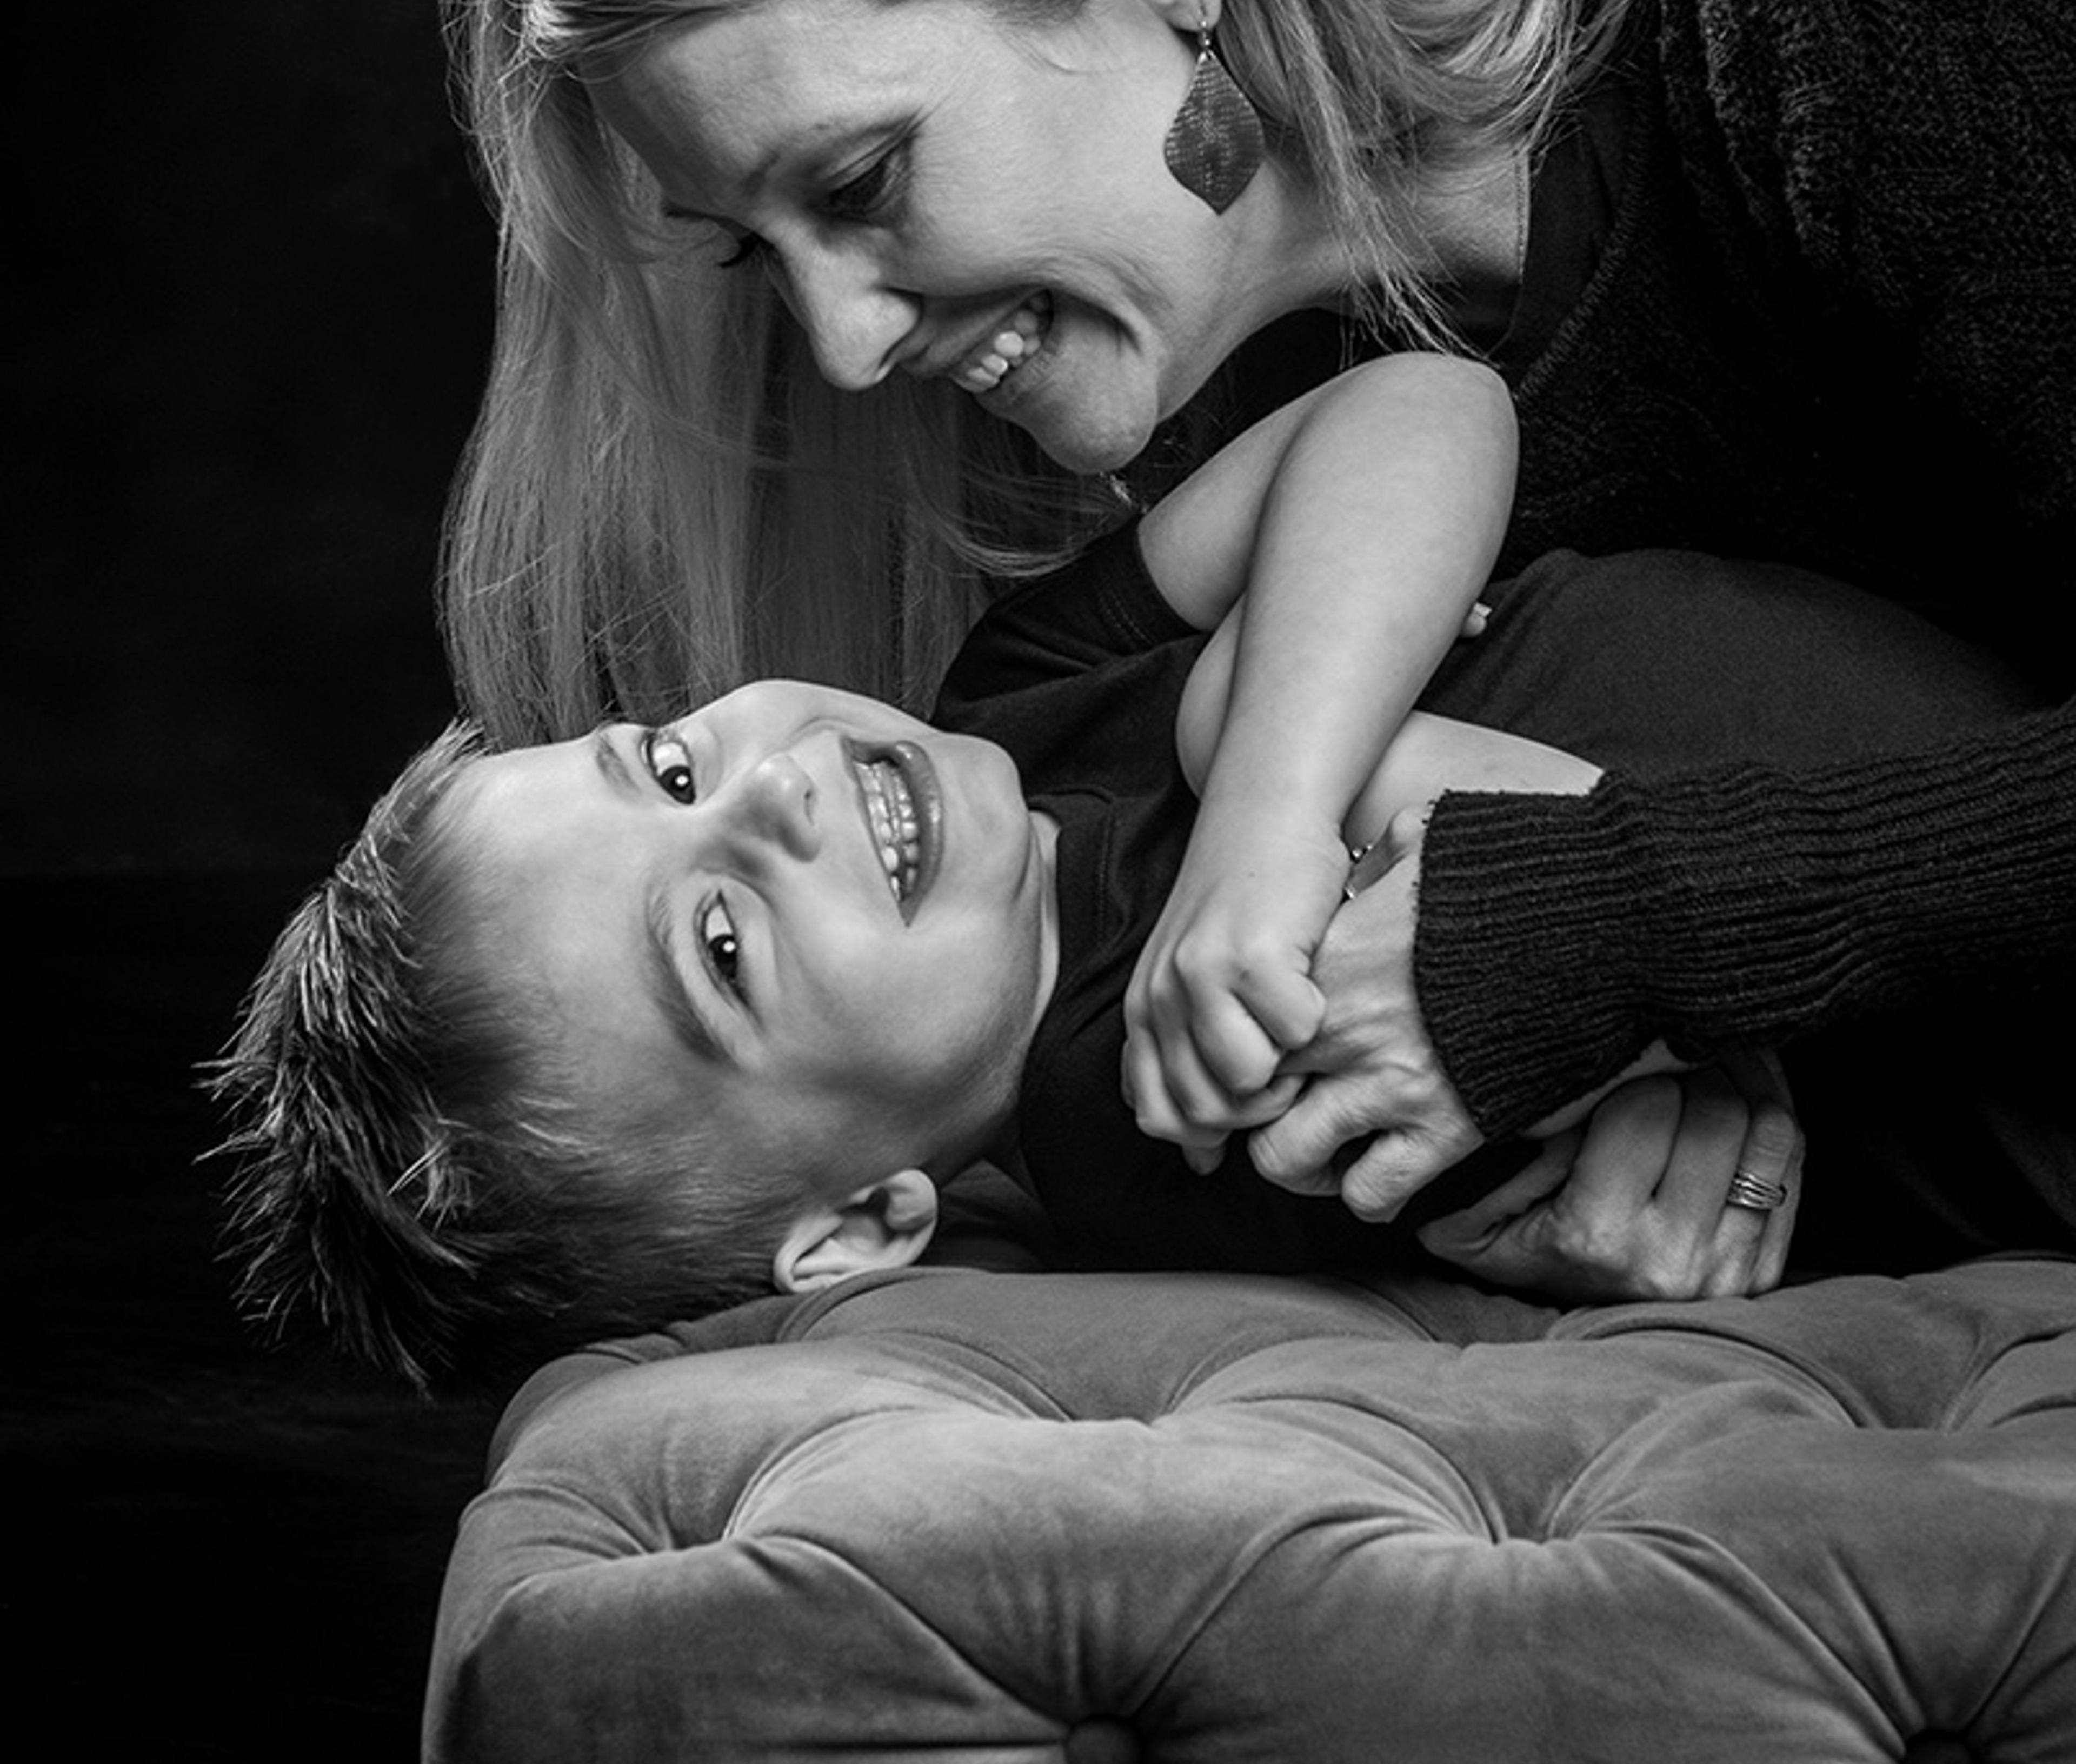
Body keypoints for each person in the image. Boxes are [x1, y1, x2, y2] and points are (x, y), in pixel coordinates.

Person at [440, 0, 2075, 1232]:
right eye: (763, 252)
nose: (844, 349)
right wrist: (1573, 1198)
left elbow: (1581, 896)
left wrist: (1613, 937)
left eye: (862, 185)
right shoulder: (1244, 447)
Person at [212, 361, 2054, 1392]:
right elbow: (1578, 870)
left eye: (673, 761)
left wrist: (1263, 797)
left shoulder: (1010, 705)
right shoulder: (1156, 1097)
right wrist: (1316, 726)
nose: (767, 797)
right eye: (720, 936)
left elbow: (1421, 411)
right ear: (859, 1229)